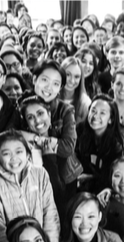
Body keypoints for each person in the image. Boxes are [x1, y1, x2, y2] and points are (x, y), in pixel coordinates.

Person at [0, 129, 60, 242]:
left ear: (28, 154)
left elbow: (50, 215)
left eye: (19, 152)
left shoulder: (40, 174)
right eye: (6, 153)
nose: (14, 158)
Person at [20, 60, 80, 193]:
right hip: (30, 174)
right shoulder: (21, 103)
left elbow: (68, 147)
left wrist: (36, 139)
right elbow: (12, 134)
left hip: (64, 174)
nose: (49, 87)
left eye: (56, 84)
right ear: (35, 79)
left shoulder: (65, 110)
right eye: (45, 80)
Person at [76, 94, 124, 193]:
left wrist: (92, 178)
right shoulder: (80, 130)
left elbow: (113, 176)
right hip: (81, 184)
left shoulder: (117, 144)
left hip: (106, 189)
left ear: (110, 119)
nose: (95, 116)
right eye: (93, 111)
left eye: (102, 113)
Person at [59, 56, 92, 125]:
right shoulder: (51, 95)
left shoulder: (85, 103)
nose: (72, 80)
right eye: (68, 75)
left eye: (76, 77)